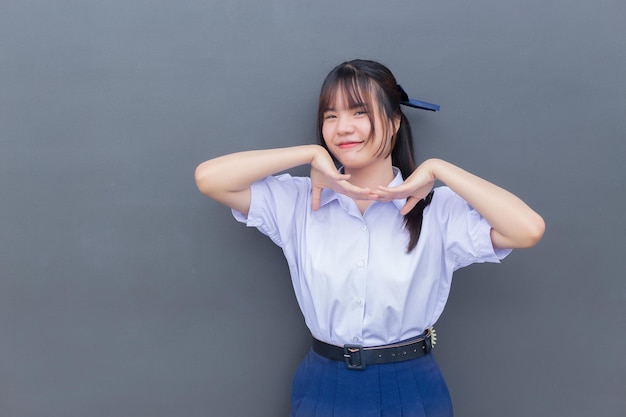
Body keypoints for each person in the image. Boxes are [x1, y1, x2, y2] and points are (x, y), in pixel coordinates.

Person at [195, 59, 545, 417]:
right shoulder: (297, 201)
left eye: (359, 112)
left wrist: (440, 170)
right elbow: (210, 178)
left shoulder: (437, 210)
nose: (342, 128)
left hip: (410, 386)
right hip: (324, 384)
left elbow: (527, 229)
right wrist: (310, 153)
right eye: (331, 116)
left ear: (395, 122)